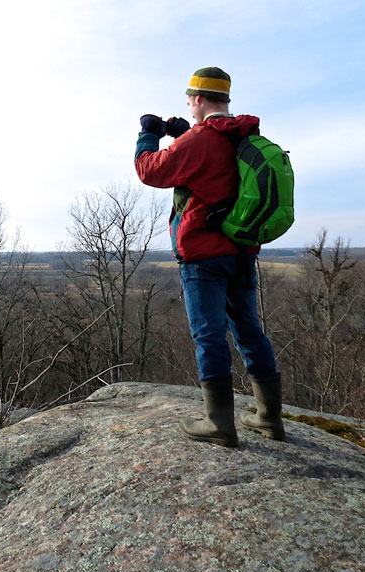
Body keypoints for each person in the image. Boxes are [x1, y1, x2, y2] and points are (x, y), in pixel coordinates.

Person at [134, 66, 285, 448]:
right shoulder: (242, 135)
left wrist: (147, 134)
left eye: (189, 100)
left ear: (199, 99)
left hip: (204, 255)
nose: (189, 105)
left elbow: (150, 170)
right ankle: (268, 417)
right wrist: (184, 133)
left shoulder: (200, 140)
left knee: (209, 335)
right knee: (248, 329)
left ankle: (219, 422)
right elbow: (217, 172)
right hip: (241, 251)